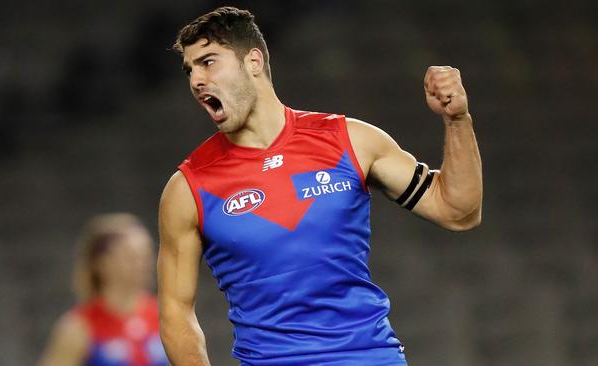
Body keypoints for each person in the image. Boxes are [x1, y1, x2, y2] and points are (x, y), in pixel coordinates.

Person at [158, 6, 482, 366]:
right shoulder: (189, 187)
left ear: (253, 62)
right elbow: (175, 312)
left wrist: (457, 120)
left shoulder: (349, 141)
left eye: (208, 62)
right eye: (190, 69)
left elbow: (458, 212)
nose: (196, 80)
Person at [40, 213, 169, 366]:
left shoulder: (166, 317)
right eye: (131, 257)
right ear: (102, 264)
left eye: (146, 256)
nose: (143, 264)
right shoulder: (78, 328)